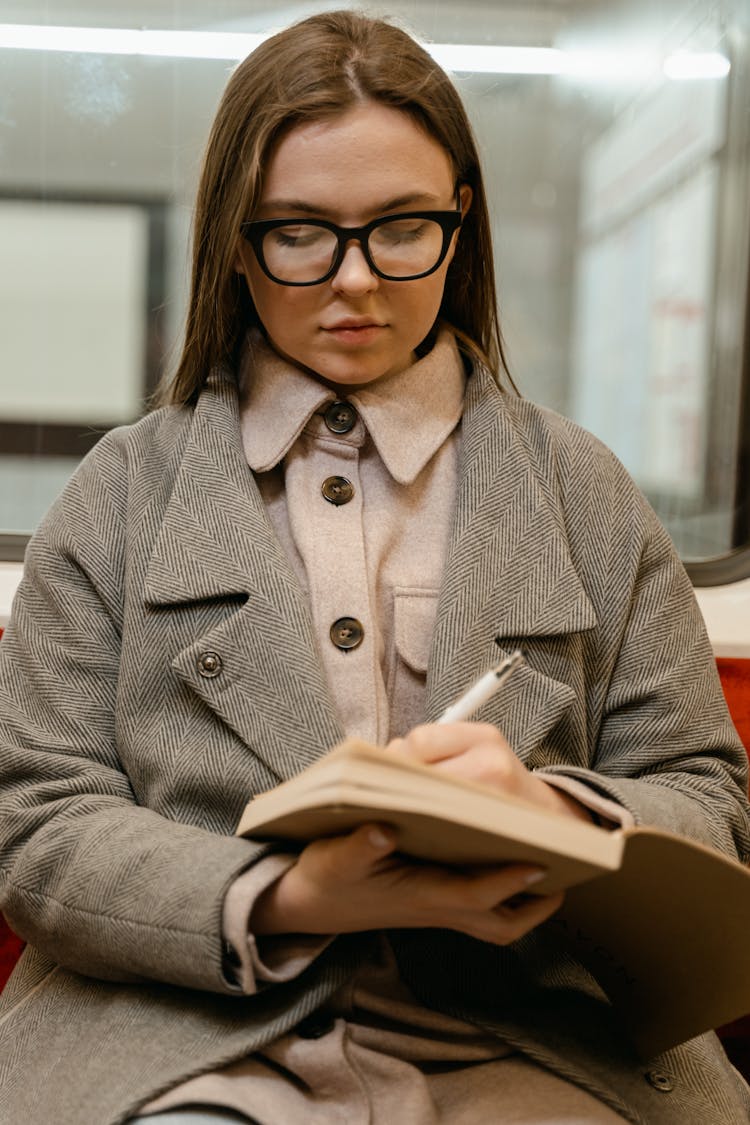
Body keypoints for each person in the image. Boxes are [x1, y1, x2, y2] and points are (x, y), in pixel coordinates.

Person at [0, 10, 748, 1124]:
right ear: (233, 241)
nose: (354, 282)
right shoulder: (121, 491)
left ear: (461, 224)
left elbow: (708, 802)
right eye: (299, 233)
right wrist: (291, 896)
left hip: (534, 1033)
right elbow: (39, 819)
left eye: (401, 229)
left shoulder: (581, 487)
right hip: (183, 1029)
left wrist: (557, 815)